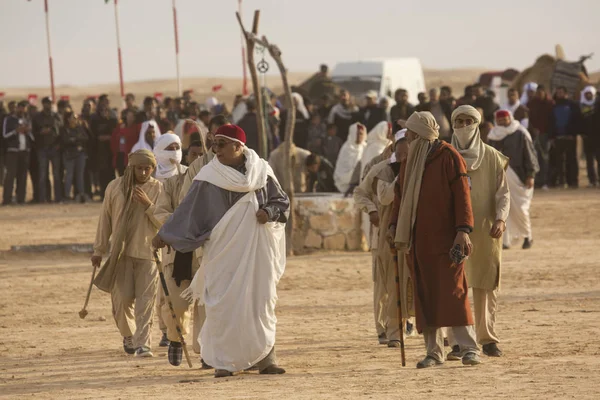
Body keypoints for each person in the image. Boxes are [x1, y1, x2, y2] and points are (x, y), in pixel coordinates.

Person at [153, 125, 289, 378]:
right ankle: (225, 363)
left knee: (260, 302)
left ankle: (265, 360)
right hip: (222, 251)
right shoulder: (208, 176)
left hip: (257, 250)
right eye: (214, 144)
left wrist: (268, 212)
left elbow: (281, 201)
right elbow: (188, 212)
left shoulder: (261, 171)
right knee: (223, 304)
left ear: (238, 146)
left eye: (221, 144)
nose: (215, 150)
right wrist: (164, 235)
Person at [388, 111, 480, 368]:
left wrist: (463, 230)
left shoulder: (450, 157)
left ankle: (469, 348)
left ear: (420, 135)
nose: (408, 138)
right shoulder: (410, 161)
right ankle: (433, 351)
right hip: (418, 241)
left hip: (447, 240)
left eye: (411, 135)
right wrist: (394, 225)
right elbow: (400, 195)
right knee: (425, 295)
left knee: (454, 292)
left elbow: (463, 197)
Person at [449, 105, 510, 358]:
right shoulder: (446, 156)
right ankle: (456, 341)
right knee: (454, 285)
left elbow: (503, 193)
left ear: (478, 123)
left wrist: (500, 219)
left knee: (485, 283)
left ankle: (487, 339)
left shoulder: (493, 156)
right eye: (459, 121)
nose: (464, 126)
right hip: (453, 231)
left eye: (469, 121)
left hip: (486, 230)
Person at [91, 149, 163, 357]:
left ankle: (143, 344)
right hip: (121, 254)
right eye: (139, 168)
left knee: (145, 302)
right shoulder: (115, 187)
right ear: (131, 167)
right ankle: (128, 335)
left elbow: (164, 221)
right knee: (121, 300)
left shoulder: (158, 188)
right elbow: (105, 220)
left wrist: (148, 205)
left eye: (147, 168)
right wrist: (99, 249)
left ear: (152, 168)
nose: (143, 173)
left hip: (148, 254)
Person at [354, 130, 409, 347]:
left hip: (410, 236)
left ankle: (403, 326)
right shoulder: (380, 169)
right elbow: (363, 193)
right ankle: (386, 329)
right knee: (385, 284)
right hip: (383, 235)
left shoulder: (421, 167)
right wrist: (371, 211)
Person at [488, 110, 539, 250]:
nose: (502, 122)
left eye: (504, 120)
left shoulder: (520, 133)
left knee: (521, 208)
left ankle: (528, 236)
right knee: (502, 208)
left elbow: (530, 155)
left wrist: (531, 175)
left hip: (519, 176)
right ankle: (505, 241)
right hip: (499, 176)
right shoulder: (492, 135)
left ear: (510, 118)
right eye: (499, 120)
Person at [2, 101, 34, 205]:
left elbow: (33, 138)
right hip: (13, 152)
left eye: (25, 108)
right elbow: (5, 135)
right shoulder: (9, 119)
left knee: (23, 176)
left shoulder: (27, 120)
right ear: (18, 108)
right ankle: (7, 200)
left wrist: (27, 131)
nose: (23, 110)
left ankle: (21, 199)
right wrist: (16, 131)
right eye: (21, 108)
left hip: (25, 152)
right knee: (10, 176)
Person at [548, 86, 580, 188]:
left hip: (570, 137)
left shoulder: (573, 105)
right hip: (557, 138)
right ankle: (560, 182)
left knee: (571, 160)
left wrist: (573, 134)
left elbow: (577, 121)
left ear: (566, 93)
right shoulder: (553, 106)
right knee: (558, 161)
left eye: (561, 92)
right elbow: (551, 122)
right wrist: (552, 137)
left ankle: (573, 182)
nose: (559, 94)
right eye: (557, 93)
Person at [32, 97, 62, 203]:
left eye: (49, 103)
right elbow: (33, 133)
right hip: (42, 149)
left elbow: (62, 131)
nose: (47, 105)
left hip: (54, 148)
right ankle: (43, 198)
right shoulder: (37, 117)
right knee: (43, 175)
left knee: (56, 175)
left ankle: (58, 198)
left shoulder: (56, 116)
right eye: (46, 103)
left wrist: (59, 144)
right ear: (43, 104)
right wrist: (41, 132)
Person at [527, 85, 554, 189]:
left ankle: (544, 181)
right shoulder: (531, 103)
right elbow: (528, 118)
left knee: (544, 158)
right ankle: (536, 181)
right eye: (537, 93)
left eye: (540, 93)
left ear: (544, 92)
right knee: (534, 158)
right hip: (533, 135)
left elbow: (552, 120)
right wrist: (532, 129)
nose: (538, 94)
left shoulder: (550, 104)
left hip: (545, 135)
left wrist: (550, 135)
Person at [60, 111, 89, 202]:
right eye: (73, 117)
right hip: (69, 155)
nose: (75, 119)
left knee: (80, 175)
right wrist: (76, 139)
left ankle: (80, 195)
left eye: (76, 118)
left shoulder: (79, 128)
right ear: (68, 119)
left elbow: (85, 138)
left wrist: (74, 139)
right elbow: (65, 141)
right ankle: (67, 196)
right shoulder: (64, 129)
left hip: (80, 154)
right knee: (69, 175)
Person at [90, 104, 118, 198]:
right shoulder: (96, 123)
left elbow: (116, 135)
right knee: (102, 174)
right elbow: (93, 136)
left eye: (106, 110)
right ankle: (103, 195)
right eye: (102, 110)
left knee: (111, 174)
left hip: (111, 152)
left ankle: (113, 195)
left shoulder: (113, 122)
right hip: (100, 153)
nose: (104, 112)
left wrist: (109, 137)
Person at [333, 123, 367, 193]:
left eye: (361, 134)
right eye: (357, 134)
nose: (359, 136)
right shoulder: (346, 148)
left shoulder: (365, 147)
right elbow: (342, 170)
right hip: (345, 183)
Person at [580, 86, 599, 187]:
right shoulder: (581, 107)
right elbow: (579, 121)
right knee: (589, 160)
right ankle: (592, 181)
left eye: (590, 93)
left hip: (597, 137)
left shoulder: (598, 105)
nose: (588, 95)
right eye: (586, 93)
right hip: (587, 138)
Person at [111, 110, 140, 176]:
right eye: (128, 116)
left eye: (131, 116)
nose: (129, 118)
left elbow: (130, 137)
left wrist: (122, 130)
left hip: (130, 156)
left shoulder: (135, 128)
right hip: (120, 155)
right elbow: (114, 139)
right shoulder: (120, 126)